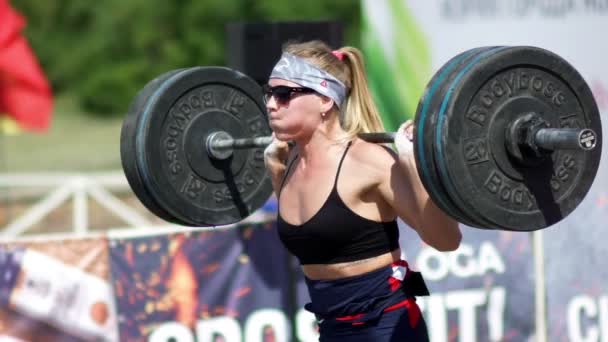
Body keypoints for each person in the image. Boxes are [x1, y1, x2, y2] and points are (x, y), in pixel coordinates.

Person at [262, 40, 462, 341]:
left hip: (386, 328)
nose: (271, 104)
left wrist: (413, 167)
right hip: (331, 329)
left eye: (284, 94)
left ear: (325, 100)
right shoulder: (287, 162)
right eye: (269, 93)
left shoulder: (370, 162)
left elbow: (447, 240)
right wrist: (274, 168)